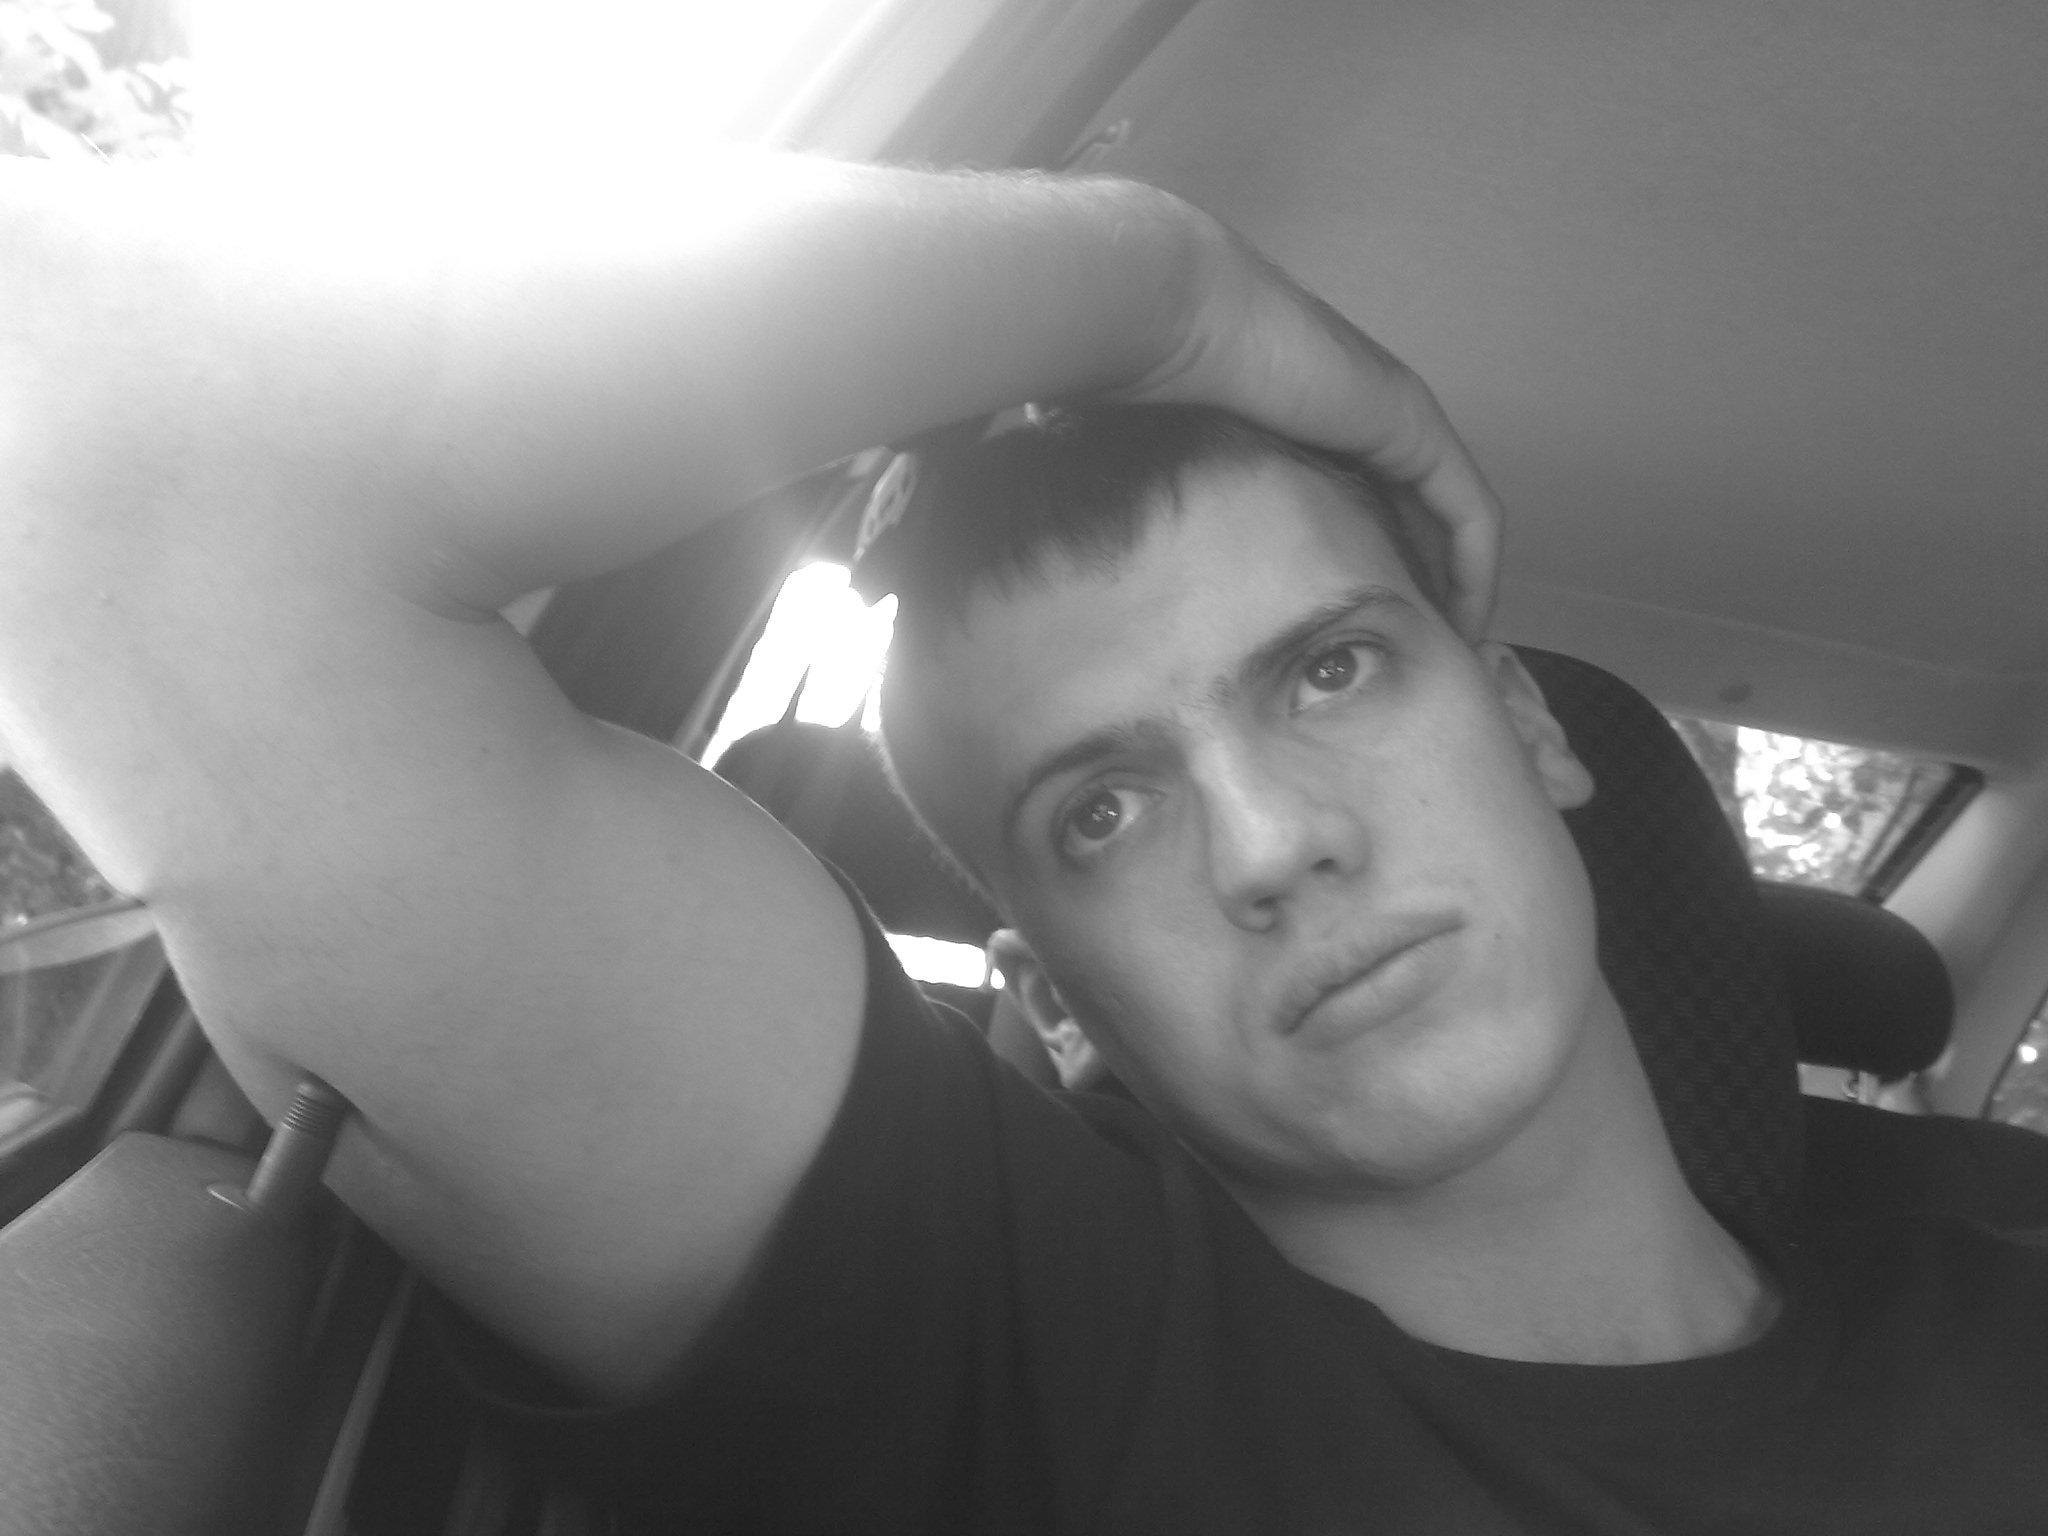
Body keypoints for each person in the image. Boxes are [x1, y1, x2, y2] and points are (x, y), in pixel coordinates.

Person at [2, 154, 2045, 1532]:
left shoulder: (1989, 1247)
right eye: (1103, 808)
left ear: (1527, 725)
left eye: (1329, 671)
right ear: (1054, 1002)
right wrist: (1164, 282)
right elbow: (80, 425)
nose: (1270, 843)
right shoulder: (1028, 1365)